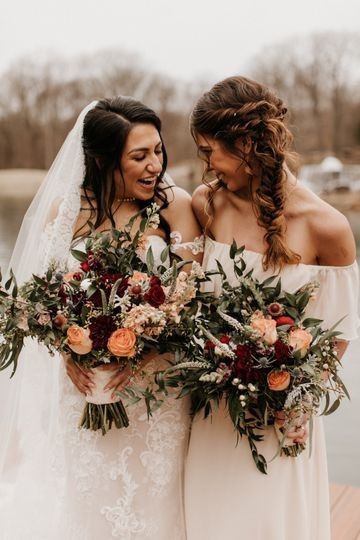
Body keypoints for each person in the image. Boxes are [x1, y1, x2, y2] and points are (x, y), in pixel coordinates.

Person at [0, 97, 203, 539]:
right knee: (89, 497)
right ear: (101, 159)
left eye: (157, 150)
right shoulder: (67, 213)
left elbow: (194, 297)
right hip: (86, 385)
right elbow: (43, 303)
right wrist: (68, 351)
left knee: (155, 500)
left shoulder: (175, 207)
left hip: (156, 391)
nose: (155, 165)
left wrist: (145, 352)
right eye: (139, 156)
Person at [185, 76, 359, 540]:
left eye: (209, 151)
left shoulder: (328, 227)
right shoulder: (208, 204)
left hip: (282, 421)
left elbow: (338, 336)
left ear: (244, 143)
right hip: (213, 415)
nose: (207, 165)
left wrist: (293, 398)